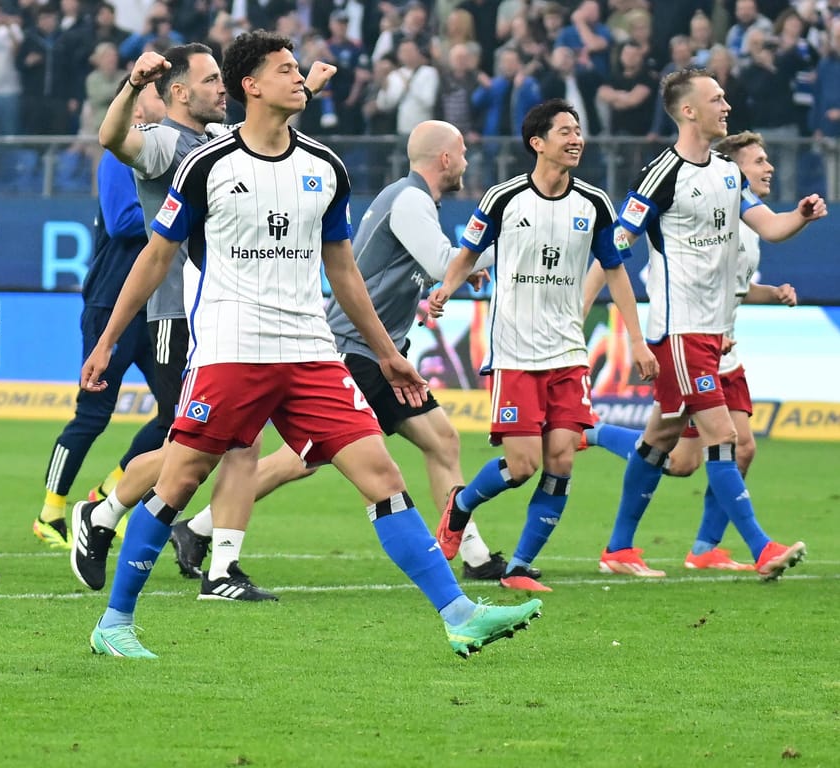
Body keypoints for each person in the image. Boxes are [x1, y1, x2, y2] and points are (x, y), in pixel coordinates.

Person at [78, 30, 543, 659]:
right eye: (286, 69)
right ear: (253, 85)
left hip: (310, 352)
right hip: (230, 350)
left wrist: (385, 352)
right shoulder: (206, 167)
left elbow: (345, 272)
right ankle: (114, 624)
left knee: (383, 474)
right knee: (181, 481)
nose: (300, 78)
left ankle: (459, 614)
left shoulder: (324, 168)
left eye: (299, 69)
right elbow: (156, 258)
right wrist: (107, 341)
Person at [155, 120, 523, 585]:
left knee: (439, 440)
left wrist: (452, 277)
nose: (467, 161)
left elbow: (422, 269)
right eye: (463, 152)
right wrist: (504, 247)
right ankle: (186, 523)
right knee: (307, 458)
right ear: (445, 159)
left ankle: (473, 553)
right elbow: (440, 261)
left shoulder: (409, 201)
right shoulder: (409, 199)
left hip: (370, 348)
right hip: (355, 348)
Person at [59, 43, 330, 601]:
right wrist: (132, 86)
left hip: (222, 312)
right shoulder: (164, 143)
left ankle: (210, 560)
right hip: (178, 314)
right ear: (178, 92)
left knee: (231, 440)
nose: (221, 90)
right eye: (210, 82)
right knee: (200, 444)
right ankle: (107, 512)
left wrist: (305, 89)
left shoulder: (215, 142)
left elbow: (265, 131)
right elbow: (112, 140)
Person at [595, 68, 819, 580]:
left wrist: (801, 215)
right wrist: (628, 333)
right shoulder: (659, 175)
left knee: (664, 442)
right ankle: (762, 547)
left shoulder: (726, 174)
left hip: (712, 335)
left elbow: (771, 225)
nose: (727, 106)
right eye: (716, 98)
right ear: (688, 110)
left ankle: (618, 548)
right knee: (723, 436)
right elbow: (614, 250)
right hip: (678, 330)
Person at [427, 99, 658, 593]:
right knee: (522, 466)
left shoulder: (594, 203)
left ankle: (518, 568)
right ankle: (461, 506)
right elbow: (467, 251)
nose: (576, 139)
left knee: (561, 460)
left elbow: (615, 270)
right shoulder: (503, 198)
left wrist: (636, 341)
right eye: (565, 132)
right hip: (514, 353)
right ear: (538, 142)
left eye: (579, 131)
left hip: (568, 353)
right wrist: (446, 287)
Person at [36, 82, 169, 563]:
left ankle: (107, 493)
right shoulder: (120, 153)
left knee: (177, 415)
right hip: (110, 303)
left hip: (156, 308)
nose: (166, 98)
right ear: (136, 103)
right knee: (92, 413)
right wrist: (179, 213)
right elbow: (120, 221)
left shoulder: (164, 154)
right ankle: (49, 512)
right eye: (158, 93)